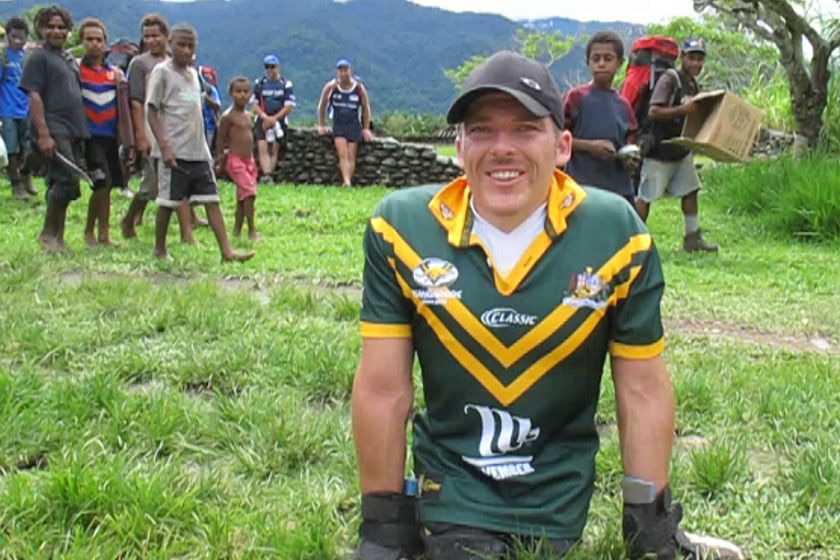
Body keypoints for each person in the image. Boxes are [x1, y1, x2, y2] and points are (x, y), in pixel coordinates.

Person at [351, 51, 743, 560]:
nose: (502, 149)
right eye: (483, 131)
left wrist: (651, 529)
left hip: (556, 494)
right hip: (449, 491)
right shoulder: (400, 229)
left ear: (561, 147)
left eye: (525, 130)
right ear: (460, 145)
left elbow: (642, 387)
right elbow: (383, 389)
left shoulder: (617, 233)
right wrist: (384, 530)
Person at [146, 22, 253, 263]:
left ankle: (226, 252)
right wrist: (163, 146)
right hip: (174, 149)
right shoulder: (162, 72)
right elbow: (151, 110)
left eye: (190, 46)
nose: (185, 50)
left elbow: (189, 102)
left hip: (198, 150)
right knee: (168, 201)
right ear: (170, 44)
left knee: (212, 200)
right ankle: (160, 249)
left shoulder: (194, 75)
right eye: (181, 45)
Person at [635, 37, 718, 252]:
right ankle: (632, 242)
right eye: (692, 58)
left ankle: (692, 239)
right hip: (659, 150)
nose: (696, 64)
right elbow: (654, 111)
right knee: (646, 197)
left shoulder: (692, 83)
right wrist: (683, 110)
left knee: (691, 191)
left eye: (700, 59)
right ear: (682, 57)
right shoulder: (669, 79)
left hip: (680, 150)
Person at [119, 13, 195, 243]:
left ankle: (186, 233)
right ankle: (129, 218)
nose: (151, 41)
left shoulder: (175, 62)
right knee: (150, 184)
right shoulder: (140, 64)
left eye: (156, 35)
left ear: (166, 36)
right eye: (147, 36)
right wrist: (141, 135)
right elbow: (136, 102)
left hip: (175, 129)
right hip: (152, 129)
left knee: (178, 178)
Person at [19, 5, 89, 253]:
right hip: (52, 127)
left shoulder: (68, 59)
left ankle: (58, 237)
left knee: (62, 182)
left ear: (69, 30)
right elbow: (34, 95)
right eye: (50, 26)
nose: (56, 31)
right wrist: (44, 134)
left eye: (61, 27)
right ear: (40, 28)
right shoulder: (38, 58)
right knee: (67, 182)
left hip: (72, 129)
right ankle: (47, 234)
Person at [563, 30, 639, 208]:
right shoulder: (576, 98)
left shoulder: (623, 105)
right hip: (582, 187)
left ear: (619, 63)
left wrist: (632, 158)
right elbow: (557, 137)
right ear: (588, 62)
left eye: (608, 58)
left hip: (618, 188)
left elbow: (630, 140)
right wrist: (590, 147)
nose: (601, 64)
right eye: (596, 59)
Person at [78, 17, 125, 247]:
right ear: (82, 41)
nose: (94, 44)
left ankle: (104, 234)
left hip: (110, 136)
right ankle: (89, 231)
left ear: (105, 43)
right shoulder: (77, 70)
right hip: (89, 137)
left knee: (108, 186)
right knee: (100, 183)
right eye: (89, 39)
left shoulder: (113, 73)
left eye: (99, 39)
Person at [216, 75, 260, 240]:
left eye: (245, 92)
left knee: (242, 196)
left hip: (249, 161)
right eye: (238, 91)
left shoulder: (249, 116)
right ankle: (252, 229)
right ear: (231, 93)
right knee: (249, 193)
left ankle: (237, 229)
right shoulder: (228, 117)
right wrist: (221, 162)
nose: (242, 95)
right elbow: (220, 140)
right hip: (234, 160)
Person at [317, 58, 373, 187]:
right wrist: (322, 124)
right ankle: (346, 181)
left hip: (354, 124)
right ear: (337, 72)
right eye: (340, 70)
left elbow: (365, 108)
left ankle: (349, 180)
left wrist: (365, 128)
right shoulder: (331, 87)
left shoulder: (359, 88)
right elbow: (322, 106)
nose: (343, 73)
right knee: (343, 153)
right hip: (339, 124)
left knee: (351, 154)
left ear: (350, 71)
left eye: (345, 70)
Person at [1, 17, 36, 199]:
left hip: (26, 108)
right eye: (13, 37)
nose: (17, 41)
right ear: (7, 36)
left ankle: (26, 175)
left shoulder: (27, 58)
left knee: (26, 146)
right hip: (7, 109)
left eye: (21, 37)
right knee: (11, 148)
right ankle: (16, 184)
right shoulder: (3, 57)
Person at [252, 54, 295, 183]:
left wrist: (275, 118)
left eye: (272, 67)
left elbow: (289, 105)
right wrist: (264, 117)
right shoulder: (259, 83)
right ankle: (267, 174)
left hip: (279, 120)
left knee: (274, 148)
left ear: (278, 67)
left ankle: (269, 173)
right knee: (263, 146)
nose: (270, 70)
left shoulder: (285, 84)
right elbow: (255, 103)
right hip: (262, 119)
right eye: (267, 67)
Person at [199, 64, 221, 151]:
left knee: (207, 150)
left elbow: (217, 105)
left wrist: (206, 98)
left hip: (209, 126)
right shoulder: (195, 89)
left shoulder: (211, 90)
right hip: (196, 124)